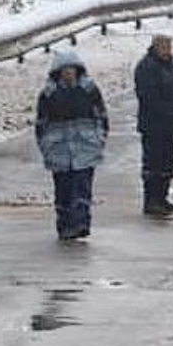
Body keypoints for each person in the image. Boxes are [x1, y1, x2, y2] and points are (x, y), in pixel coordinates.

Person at [34, 49, 109, 241]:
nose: (68, 73)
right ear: (58, 72)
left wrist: (99, 140)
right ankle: (65, 225)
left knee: (83, 187)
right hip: (59, 150)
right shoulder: (48, 94)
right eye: (64, 70)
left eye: (71, 70)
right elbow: (41, 124)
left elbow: (101, 117)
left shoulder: (89, 90)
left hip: (85, 147)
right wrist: (45, 148)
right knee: (64, 190)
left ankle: (82, 223)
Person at [134, 34, 173, 216]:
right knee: (154, 163)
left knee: (169, 162)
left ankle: (162, 198)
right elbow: (147, 96)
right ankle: (151, 200)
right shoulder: (147, 67)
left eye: (169, 47)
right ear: (155, 47)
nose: (167, 50)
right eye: (163, 47)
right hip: (153, 124)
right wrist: (165, 111)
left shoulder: (171, 66)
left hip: (170, 123)